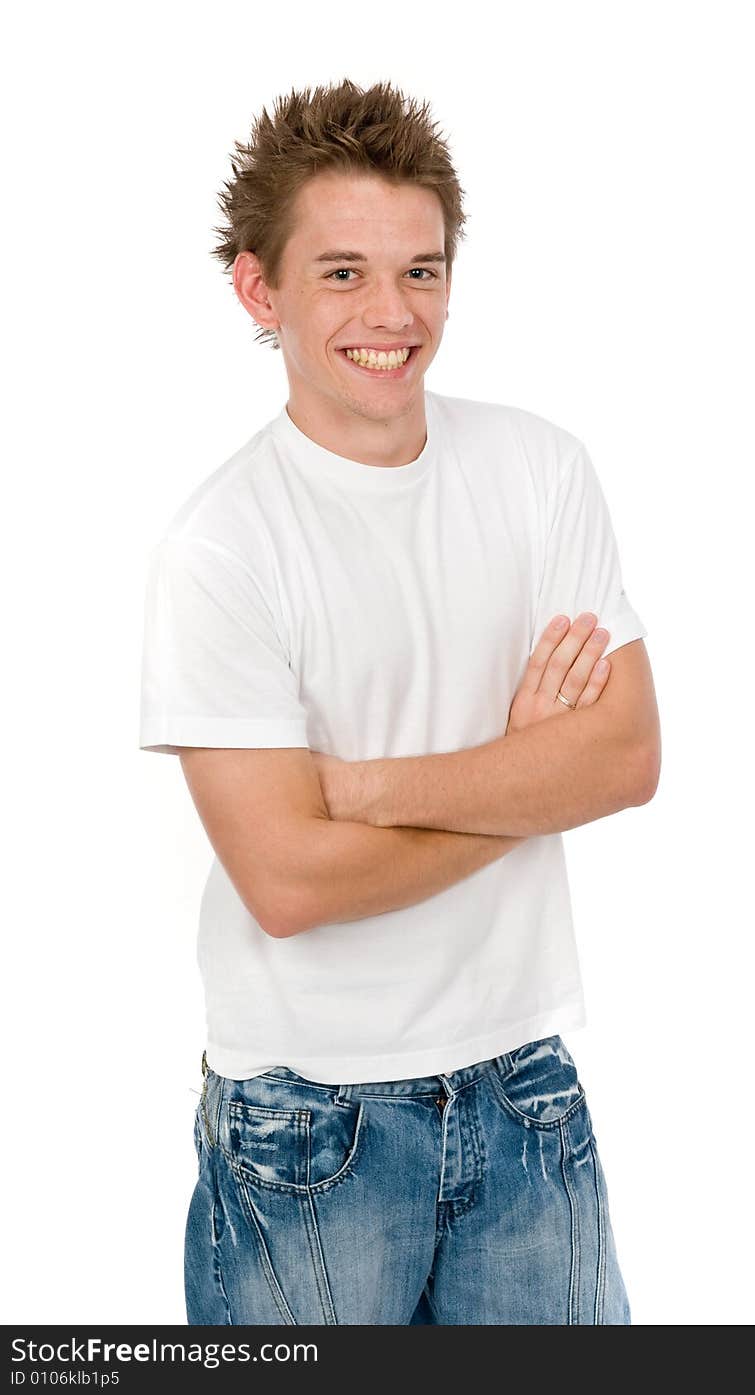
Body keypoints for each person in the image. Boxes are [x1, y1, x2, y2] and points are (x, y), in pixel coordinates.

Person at [138, 77, 661, 1326]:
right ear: (259, 290)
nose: (393, 314)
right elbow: (290, 882)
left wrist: (361, 789)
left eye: (422, 271)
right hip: (310, 1122)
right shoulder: (223, 548)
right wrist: (526, 774)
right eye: (343, 275)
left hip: (526, 1084)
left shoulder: (540, 471)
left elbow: (624, 760)